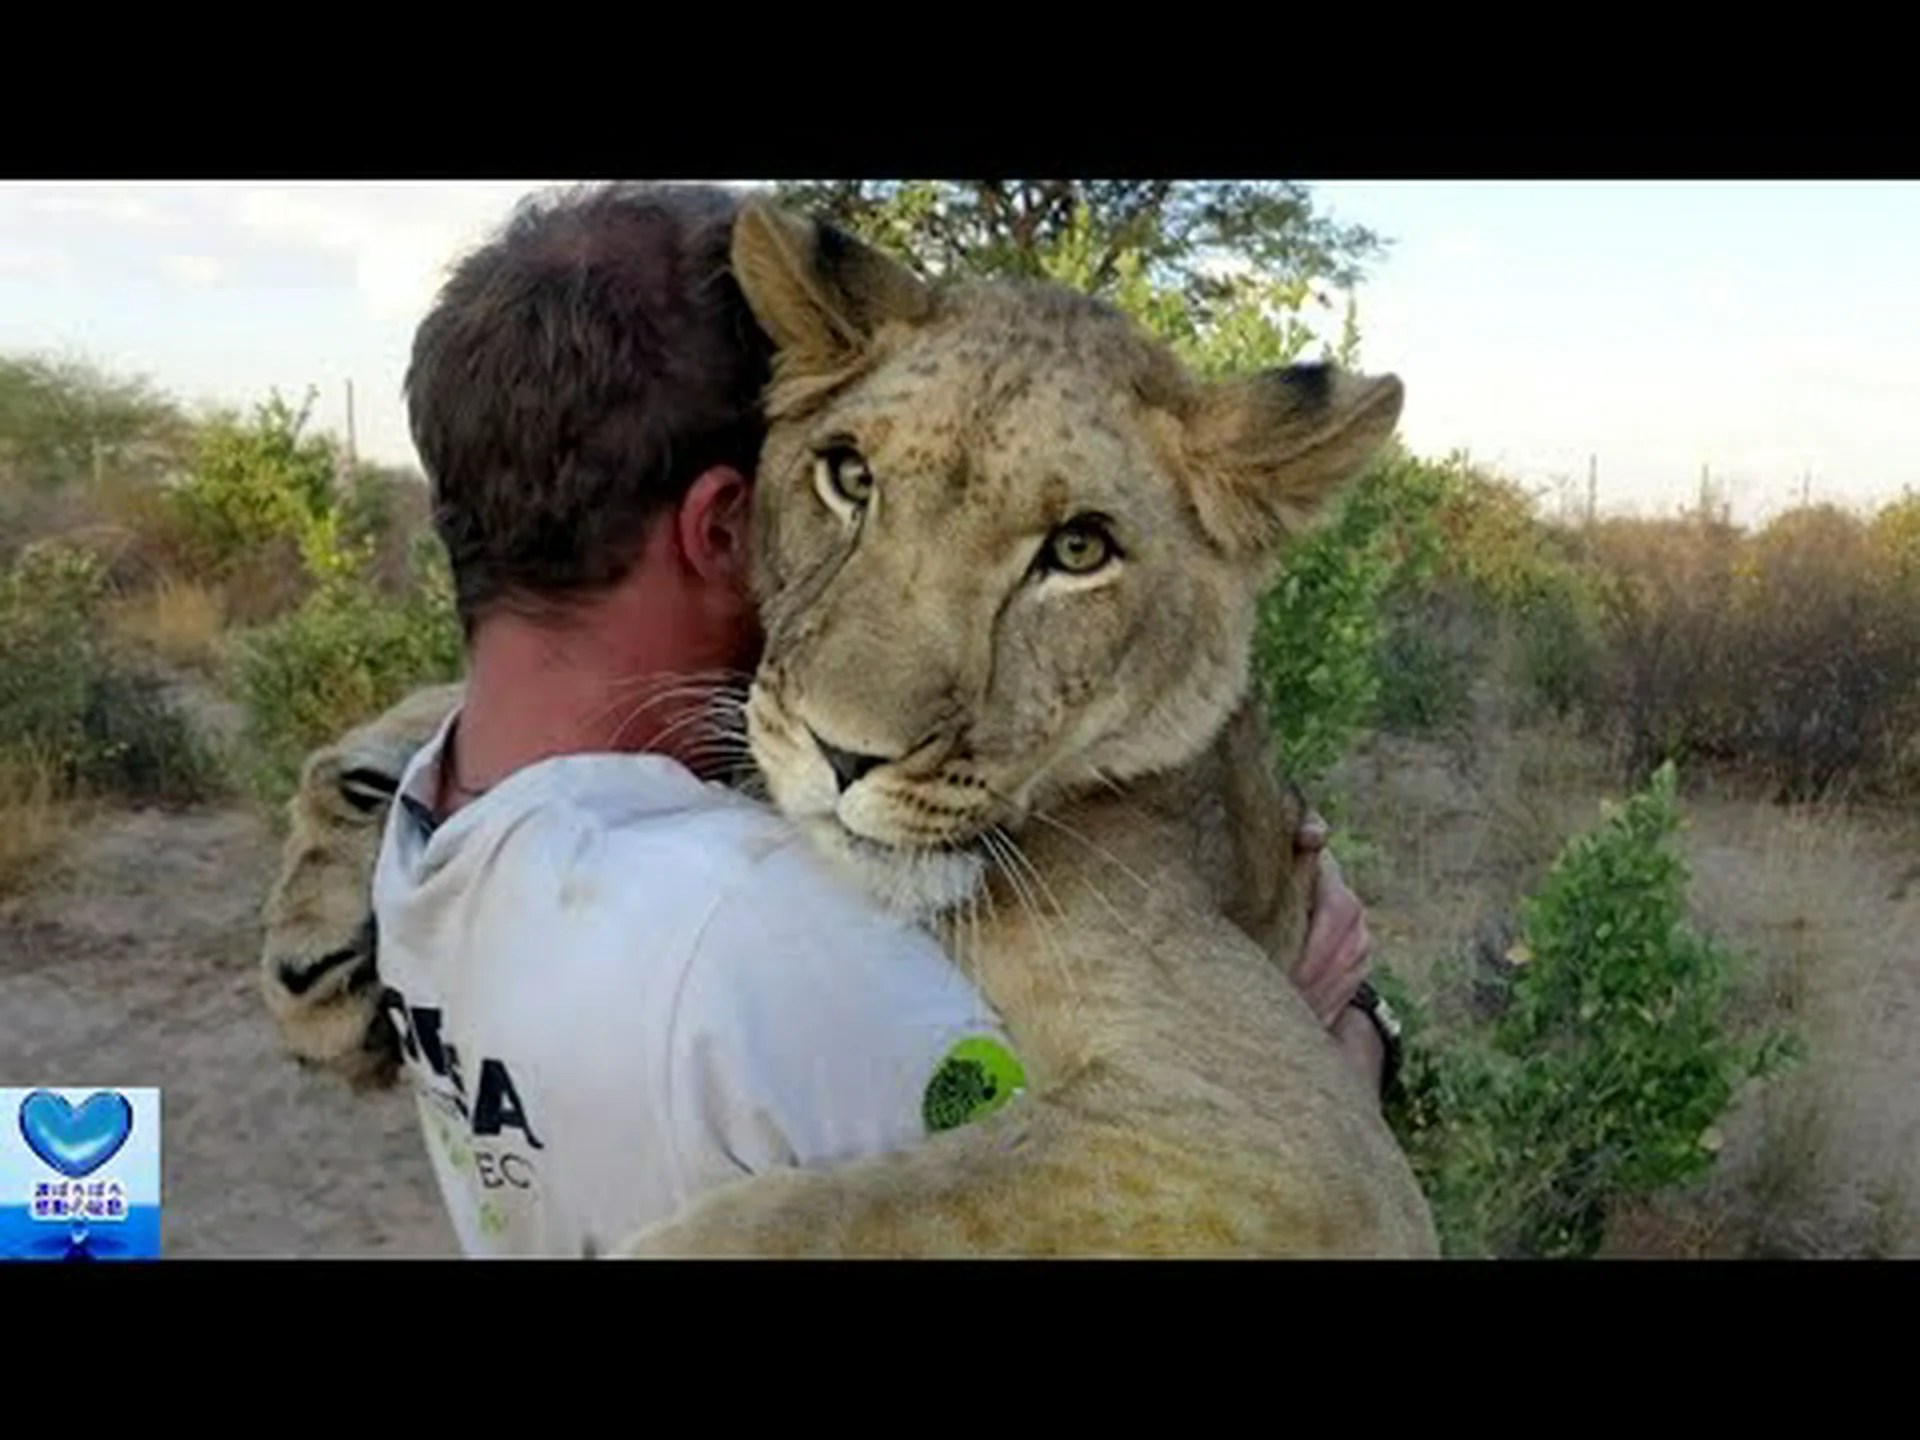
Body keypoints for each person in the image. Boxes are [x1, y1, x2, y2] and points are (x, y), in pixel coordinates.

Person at [373, 180, 1398, 1259]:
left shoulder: (442, 824)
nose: (861, 716)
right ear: (722, 522)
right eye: (850, 477)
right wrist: (1351, 1046)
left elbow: (1303, 1180)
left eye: (1074, 551)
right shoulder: (765, 946)